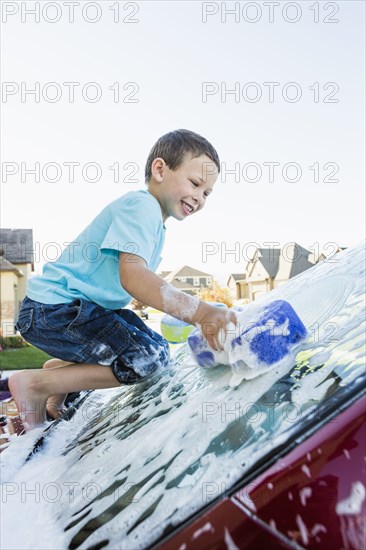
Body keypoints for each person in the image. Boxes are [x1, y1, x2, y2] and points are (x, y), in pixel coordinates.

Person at [10, 129, 236, 431]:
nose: (199, 197)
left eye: (207, 192)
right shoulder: (142, 207)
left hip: (68, 310)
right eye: (195, 183)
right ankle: (37, 385)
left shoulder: (154, 223)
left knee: (156, 347)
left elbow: (130, 281)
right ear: (160, 169)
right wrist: (202, 312)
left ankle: (60, 378)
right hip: (53, 311)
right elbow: (133, 276)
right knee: (146, 358)